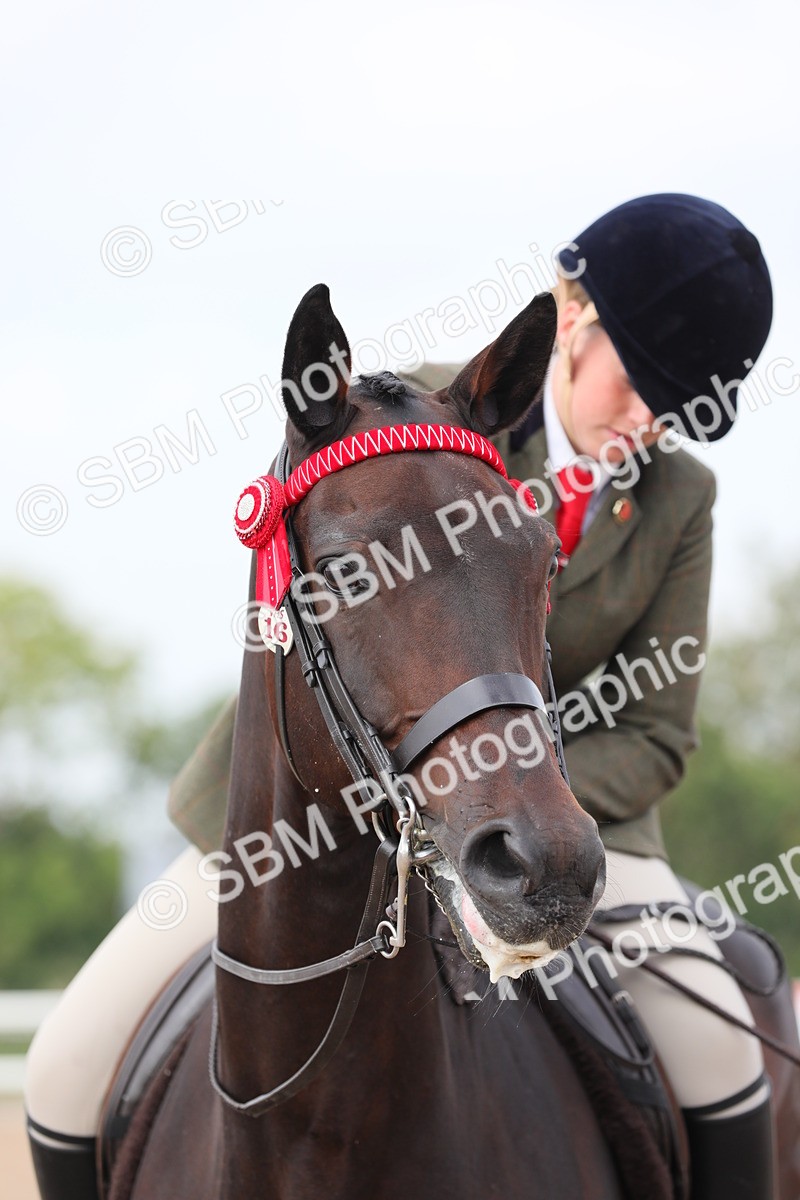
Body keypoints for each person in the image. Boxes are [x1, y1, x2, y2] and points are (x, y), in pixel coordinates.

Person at [26, 194, 776, 1200]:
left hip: (557, 831)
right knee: (63, 1067)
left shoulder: (680, 499)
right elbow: (307, 619)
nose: (645, 424)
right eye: (637, 381)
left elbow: (654, 733)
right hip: (295, 825)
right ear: (573, 318)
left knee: (721, 1057)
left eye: (675, 410)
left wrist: (501, 792)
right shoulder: (404, 422)